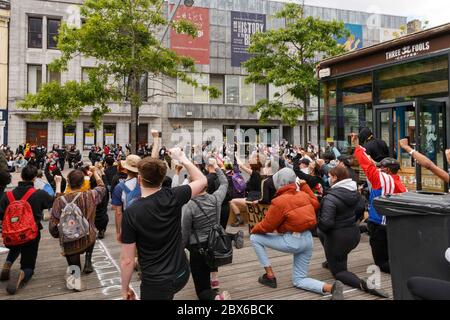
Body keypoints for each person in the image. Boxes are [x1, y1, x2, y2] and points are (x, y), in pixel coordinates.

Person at [120, 148, 207, 300]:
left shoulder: (131, 212)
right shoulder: (173, 196)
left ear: (139, 179)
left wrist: (125, 288)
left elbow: (127, 260)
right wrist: (183, 158)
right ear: (161, 179)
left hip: (156, 282)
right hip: (181, 273)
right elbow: (202, 180)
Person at [249, 168, 344, 299]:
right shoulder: (303, 195)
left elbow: (267, 226)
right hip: (308, 240)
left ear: (279, 182)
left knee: (255, 238)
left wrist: (253, 230)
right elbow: (316, 203)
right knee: (299, 280)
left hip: (292, 241)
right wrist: (304, 185)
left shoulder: (279, 201)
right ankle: (330, 288)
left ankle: (269, 276)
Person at [318, 166, 388, 298]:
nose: (328, 178)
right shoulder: (354, 191)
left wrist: (318, 222)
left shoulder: (330, 198)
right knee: (334, 249)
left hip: (338, 239)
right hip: (353, 234)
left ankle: (363, 284)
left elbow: (326, 224)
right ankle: (332, 259)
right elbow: (361, 207)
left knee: (340, 272)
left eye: (330, 176)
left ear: (335, 178)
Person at [352, 133, 407, 274]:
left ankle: (403, 272)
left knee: (381, 262)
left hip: (378, 224)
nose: (379, 168)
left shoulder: (381, 178)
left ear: (387, 169)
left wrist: (357, 145)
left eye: (381, 167)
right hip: (393, 224)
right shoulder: (400, 184)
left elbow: (365, 162)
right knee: (391, 252)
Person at [181, 159, 232, 300]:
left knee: (202, 289)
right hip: (215, 243)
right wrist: (216, 167)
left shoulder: (189, 205)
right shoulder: (216, 199)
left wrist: (180, 250)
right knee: (210, 270)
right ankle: (214, 287)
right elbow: (224, 183)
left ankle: (217, 299)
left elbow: (184, 233)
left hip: (198, 248)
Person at [49, 166, 106, 291]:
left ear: (68, 182)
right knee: (92, 232)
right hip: (88, 236)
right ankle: (87, 260)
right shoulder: (90, 195)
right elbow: (102, 188)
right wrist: (96, 174)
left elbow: (53, 225)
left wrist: (58, 184)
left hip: (69, 239)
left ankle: (75, 277)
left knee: (72, 253)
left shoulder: (59, 201)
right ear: (83, 182)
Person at [0, 165, 54, 295]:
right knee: (28, 265)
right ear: (35, 178)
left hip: (11, 235)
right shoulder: (39, 194)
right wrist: (57, 185)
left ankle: (7, 263)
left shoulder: (8, 195)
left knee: (16, 243)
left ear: (21, 176)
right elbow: (53, 202)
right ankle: (22, 273)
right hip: (31, 234)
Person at [111, 155, 142, 242]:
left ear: (126, 169)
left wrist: (119, 232)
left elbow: (118, 213)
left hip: (129, 223)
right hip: (145, 221)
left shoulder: (119, 187)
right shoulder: (144, 184)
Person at [229, 153, 264, 227]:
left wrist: (236, 156)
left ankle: (240, 219)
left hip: (253, 199)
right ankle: (240, 219)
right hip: (255, 197)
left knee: (232, 202)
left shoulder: (255, 174)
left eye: (250, 161)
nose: (248, 162)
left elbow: (241, 166)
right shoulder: (259, 173)